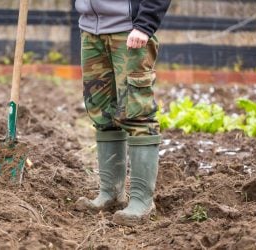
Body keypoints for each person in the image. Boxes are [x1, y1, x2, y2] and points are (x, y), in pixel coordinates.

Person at [74, 0, 171, 226]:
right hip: (90, 30)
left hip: (129, 31)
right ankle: (110, 193)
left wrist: (145, 25)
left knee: (137, 113)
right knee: (102, 113)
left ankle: (141, 200)